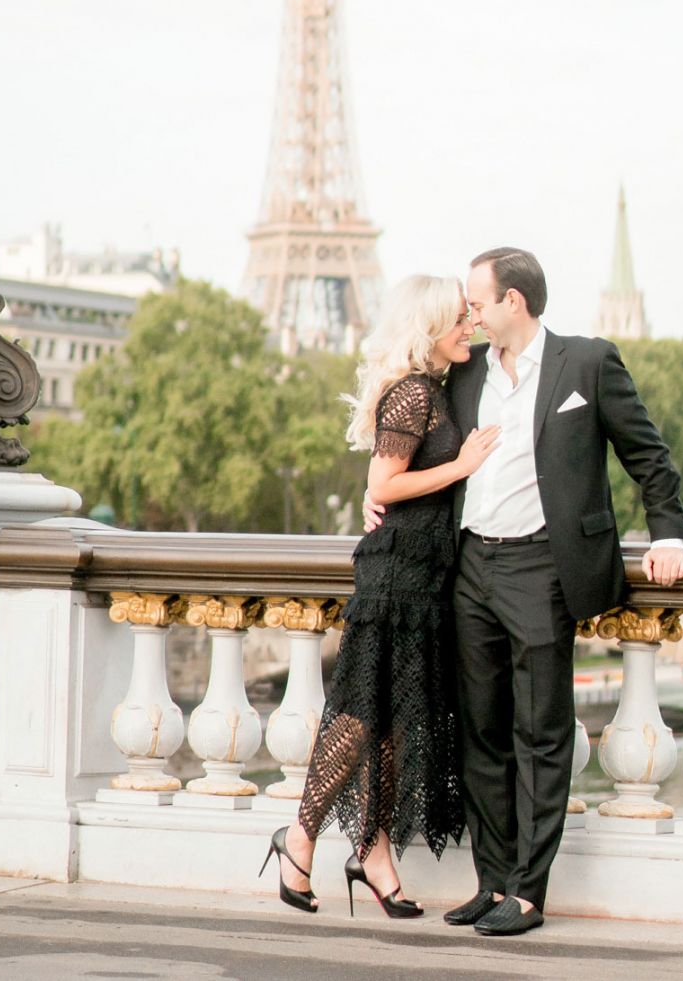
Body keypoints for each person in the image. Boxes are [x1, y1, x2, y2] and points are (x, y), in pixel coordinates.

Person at [364, 246, 683, 939]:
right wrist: (375, 496)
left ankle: (528, 892)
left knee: (540, 732)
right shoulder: (465, 370)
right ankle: (491, 881)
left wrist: (670, 535)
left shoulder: (587, 363)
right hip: (470, 566)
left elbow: (648, 455)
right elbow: (410, 446)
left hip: (544, 568)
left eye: (478, 303)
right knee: (480, 731)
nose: (470, 314)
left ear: (515, 301)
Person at [260, 274, 502, 917]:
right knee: (361, 712)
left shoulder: (442, 384)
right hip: (395, 576)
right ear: (429, 328)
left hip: (423, 575)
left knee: (391, 721)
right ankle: (300, 840)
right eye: (458, 321)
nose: (469, 329)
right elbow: (385, 484)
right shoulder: (413, 393)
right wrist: (461, 466)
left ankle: (372, 851)